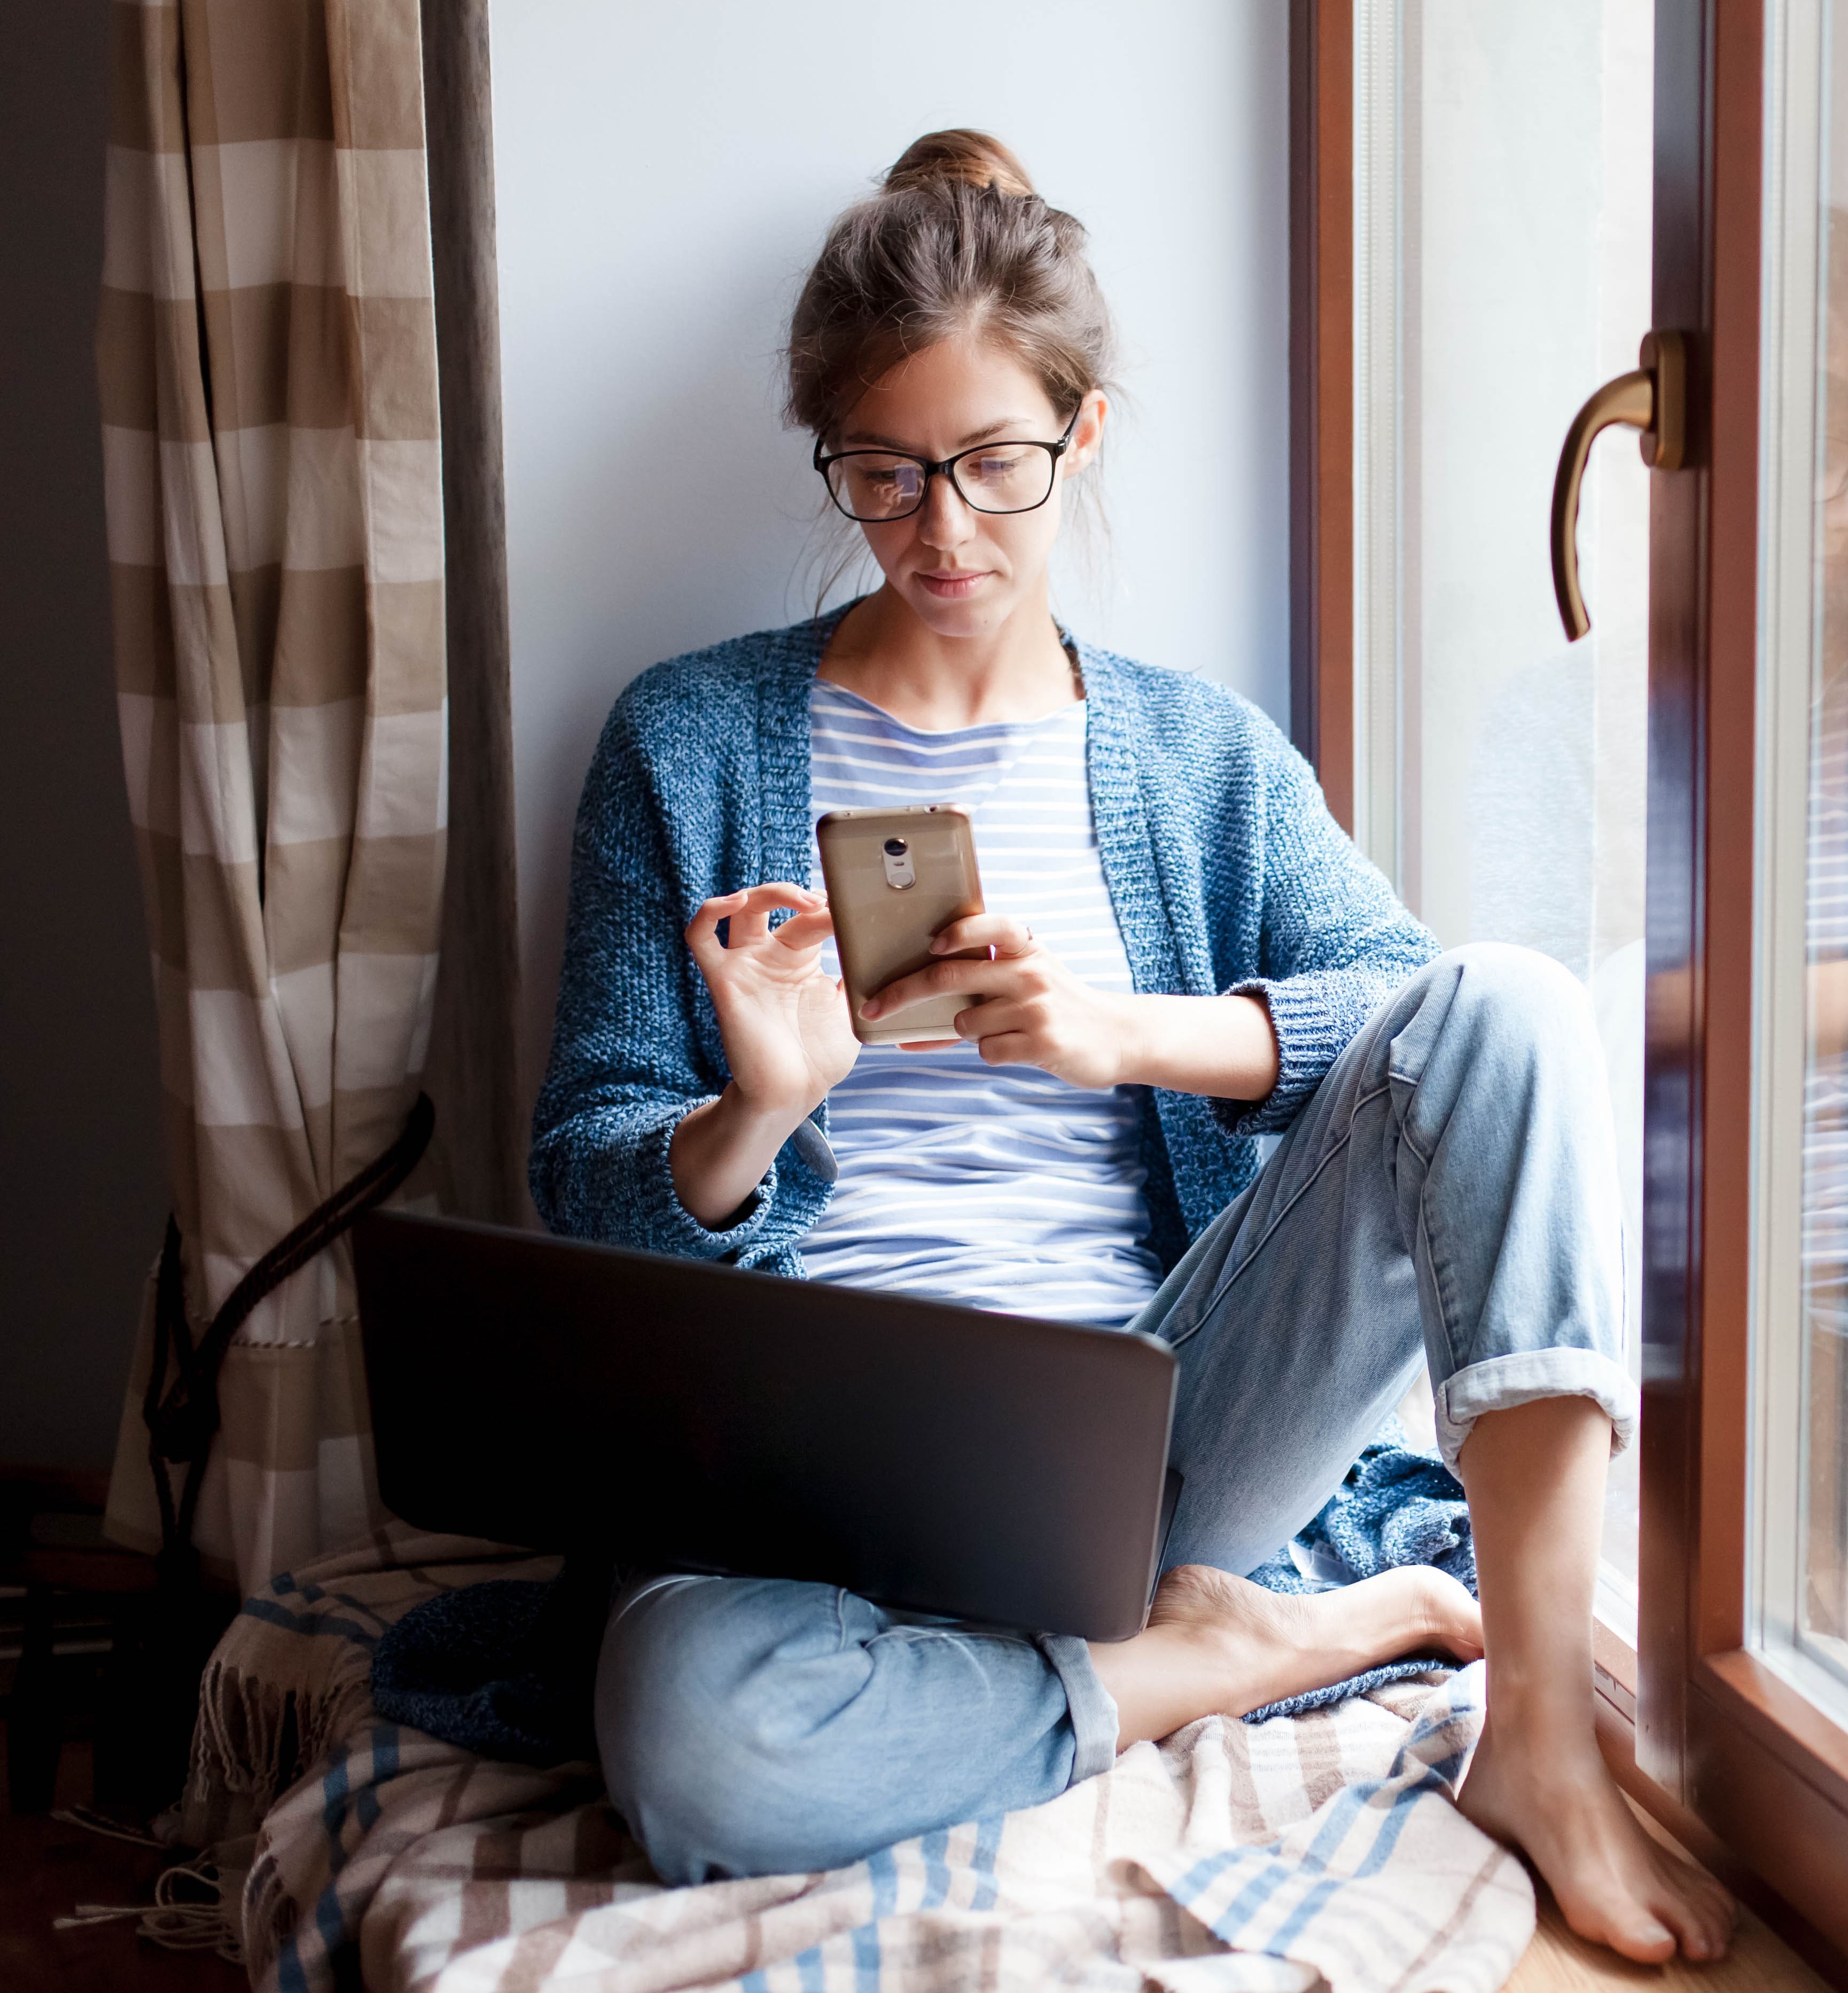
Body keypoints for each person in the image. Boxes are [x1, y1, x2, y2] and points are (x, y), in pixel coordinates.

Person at [528, 129, 1733, 1965]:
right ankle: (1217, 1651)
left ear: (1080, 438)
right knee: (697, 1739)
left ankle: (1546, 1738)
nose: (943, 532)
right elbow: (581, 1170)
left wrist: (1128, 1037)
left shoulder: (1196, 756)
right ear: (831, 457)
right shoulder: (688, 740)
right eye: (885, 471)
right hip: (809, 1479)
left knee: (1518, 1004)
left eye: (997, 467)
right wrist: (747, 1122)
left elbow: (1426, 1042)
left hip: (1160, 1420)